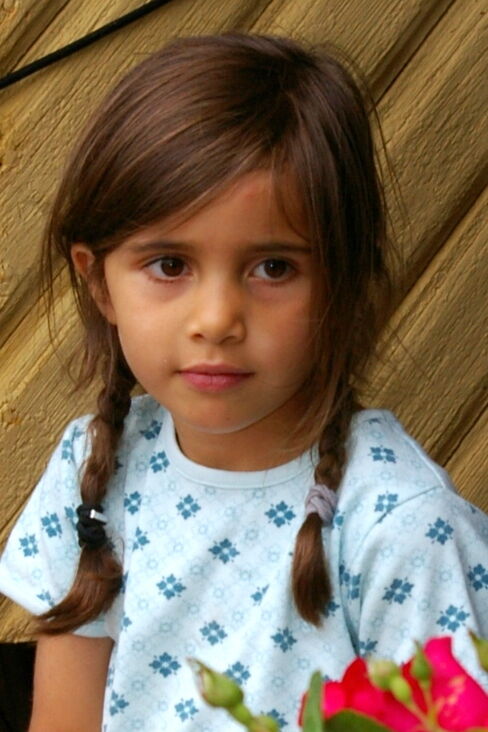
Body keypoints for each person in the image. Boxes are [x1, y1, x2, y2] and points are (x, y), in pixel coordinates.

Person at [0, 32, 486, 732]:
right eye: (170, 265)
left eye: (273, 268)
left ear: (342, 285)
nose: (218, 320)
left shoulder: (402, 525)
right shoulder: (91, 475)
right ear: (99, 282)